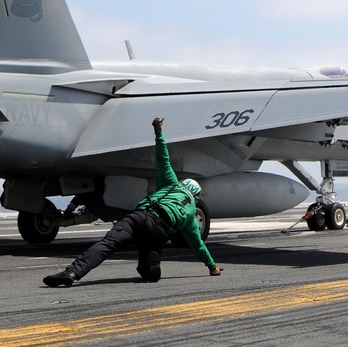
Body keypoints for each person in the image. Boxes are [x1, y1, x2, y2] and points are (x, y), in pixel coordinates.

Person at [43, 117, 221, 287]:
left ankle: (71, 273)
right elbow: (198, 246)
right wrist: (212, 267)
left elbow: (163, 159)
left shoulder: (171, 183)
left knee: (106, 245)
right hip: (161, 231)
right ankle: (151, 265)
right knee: (146, 270)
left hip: (140, 216)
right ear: (195, 196)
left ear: (183, 184)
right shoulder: (190, 213)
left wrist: (158, 133)